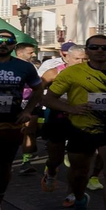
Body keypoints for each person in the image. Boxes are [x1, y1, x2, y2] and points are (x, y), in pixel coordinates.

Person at [43, 34, 106, 210]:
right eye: (94, 47)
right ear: (88, 50)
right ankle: (80, 198)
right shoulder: (72, 73)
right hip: (80, 128)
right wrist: (71, 109)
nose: (99, 51)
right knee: (79, 173)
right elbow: (49, 99)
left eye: (104, 48)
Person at [0, 30, 43, 210]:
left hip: (11, 124)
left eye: (9, 41)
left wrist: (28, 110)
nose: (3, 44)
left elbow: (38, 89)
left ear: (13, 45)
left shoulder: (23, 67)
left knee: (4, 167)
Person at [38, 42, 83, 199]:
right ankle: (51, 171)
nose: (81, 62)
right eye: (77, 59)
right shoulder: (54, 72)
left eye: (84, 59)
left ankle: (72, 193)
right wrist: (51, 102)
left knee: (75, 159)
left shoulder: (90, 72)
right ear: (67, 58)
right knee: (55, 158)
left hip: (81, 118)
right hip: (57, 117)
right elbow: (37, 91)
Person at [14, 40, 40, 175]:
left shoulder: (31, 67)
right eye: (30, 52)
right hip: (13, 103)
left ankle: (26, 162)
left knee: (30, 131)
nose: (33, 55)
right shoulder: (10, 65)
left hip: (30, 103)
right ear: (19, 52)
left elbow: (38, 87)